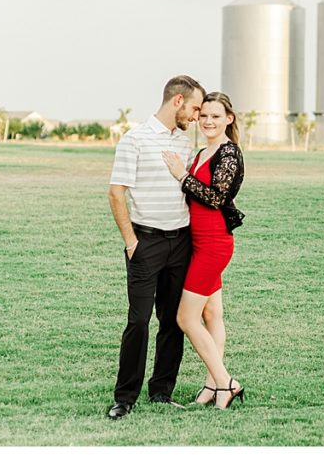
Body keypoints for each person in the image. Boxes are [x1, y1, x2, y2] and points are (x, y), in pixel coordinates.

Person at [106, 75, 205, 420]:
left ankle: (162, 391)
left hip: (181, 242)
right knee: (139, 320)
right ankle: (125, 396)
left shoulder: (185, 144)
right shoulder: (135, 139)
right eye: (194, 108)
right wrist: (131, 242)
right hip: (145, 242)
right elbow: (116, 192)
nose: (197, 116)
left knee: (173, 321)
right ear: (177, 101)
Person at [161, 91, 246, 409]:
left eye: (216, 116)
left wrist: (181, 175)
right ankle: (212, 386)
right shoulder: (202, 152)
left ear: (229, 118)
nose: (209, 121)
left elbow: (215, 197)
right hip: (195, 243)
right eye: (205, 115)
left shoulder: (229, 153)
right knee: (212, 314)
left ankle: (226, 383)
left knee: (186, 318)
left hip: (214, 245)